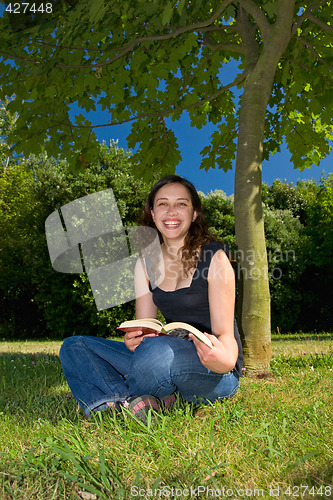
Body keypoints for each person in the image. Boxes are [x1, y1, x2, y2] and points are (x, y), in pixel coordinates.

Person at [59, 175, 243, 420]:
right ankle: (119, 404)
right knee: (75, 347)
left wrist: (223, 361)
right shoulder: (145, 263)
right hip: (161, 355)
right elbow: (146, 330)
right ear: (153, 214)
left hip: (210, 368)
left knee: (157, 355)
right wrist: (135, 341)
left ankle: (119, 393)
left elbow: (227, 340)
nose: (172, 211)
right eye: (163, 204)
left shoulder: (215, 258)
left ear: (194, 214)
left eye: (181, 204)